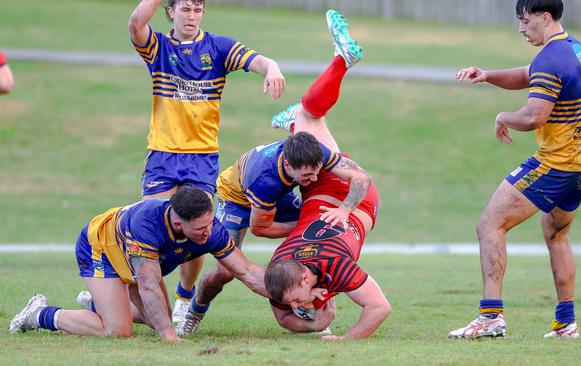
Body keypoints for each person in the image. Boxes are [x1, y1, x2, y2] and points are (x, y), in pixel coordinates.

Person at [177, 9, 389, 340]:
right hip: (241, 198)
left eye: (315, 172)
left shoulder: (312, 159)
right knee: (224, 272)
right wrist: (304, 225)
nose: (312, 179)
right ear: (289, 168)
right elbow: (261, 228)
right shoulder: (266, 181)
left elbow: (362, 178)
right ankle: (193, 310)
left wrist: (343, 210)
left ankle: (305, 108)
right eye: (306, 177)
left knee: (310, 113)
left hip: (300, 203)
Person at [448, 0, 581, 339]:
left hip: (557, 164)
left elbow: (534, 116)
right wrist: (487, 75)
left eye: (525, 21)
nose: (521, 28)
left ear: (545, 18)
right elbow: (529, 74)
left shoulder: (551, 58)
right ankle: (566, 323)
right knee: (556, 235)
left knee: (489, 224)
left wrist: (503, 117)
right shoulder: (573, 48)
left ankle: (491, 316)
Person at [128, 0, 286, 322]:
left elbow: (257, 59)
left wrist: (272, 67)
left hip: (201, 158)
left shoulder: (217, 48)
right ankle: (131, 296)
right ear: (170, 11)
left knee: (197, 231)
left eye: (198, 10)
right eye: (185, 9)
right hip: (163, 154)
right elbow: (135, 24)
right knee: (148, 229)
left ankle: (183, 301)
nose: (192, 16)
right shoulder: (158, 47)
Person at [9, 186, 268, 342]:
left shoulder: (210, 229)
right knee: (119, 331)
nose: (209, 232)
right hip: (101, 248)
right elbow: (147, 284)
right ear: (178, 224)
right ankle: (39, 315)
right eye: (201, 228)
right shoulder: (147, 226)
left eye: (210, 223)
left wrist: (289, 296)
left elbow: (246, 270)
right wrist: (169, 337)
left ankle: (98, 303)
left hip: (134, 261)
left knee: (160, 317)